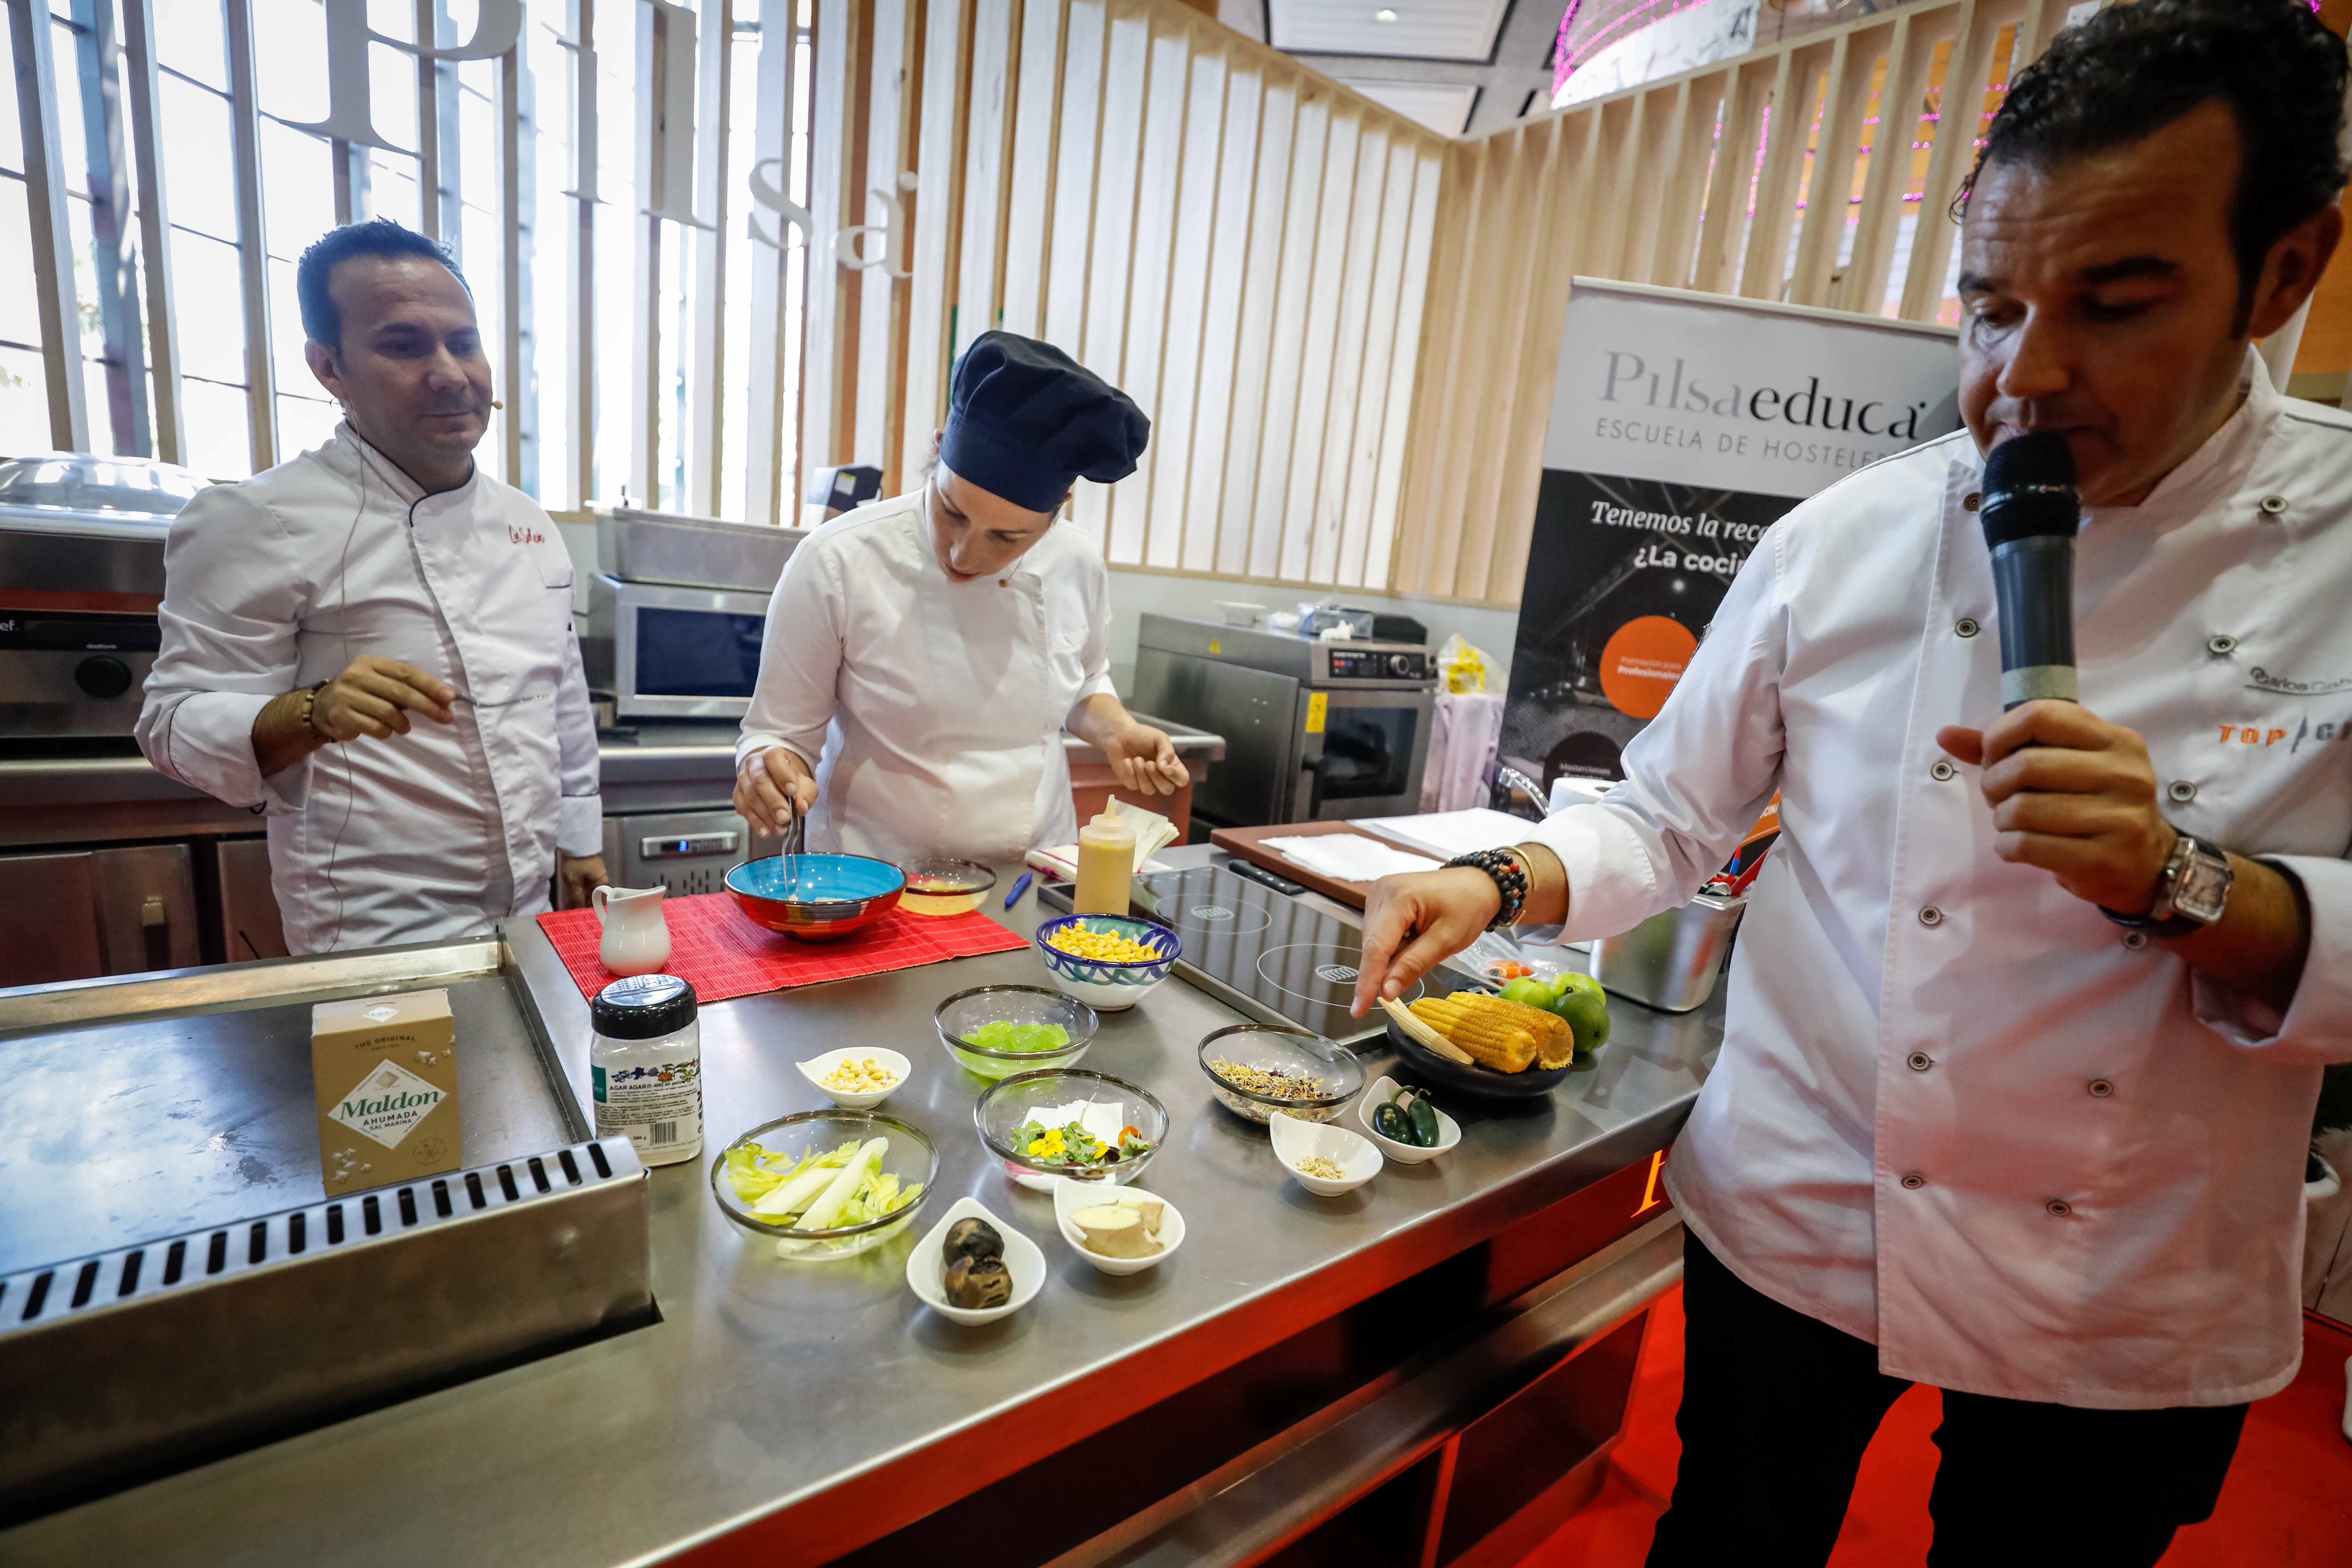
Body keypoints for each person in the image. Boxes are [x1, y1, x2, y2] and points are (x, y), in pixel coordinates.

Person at [1349, 3, 2352, 1561]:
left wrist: (2185, 881)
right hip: (1803, 1202)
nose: (2027, 376)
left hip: (2122, 1273)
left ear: (2285, 271)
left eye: (2117, 303)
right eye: (1991, 310)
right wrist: (1494, 879)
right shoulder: (1844, 537)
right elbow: (1667, 813)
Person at [139, 220, 607, 954]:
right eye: (404, 346)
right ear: (330, 368)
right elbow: (170, 723)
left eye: (464, 342)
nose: (450, 373)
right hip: (370, 930)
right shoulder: (258, 518)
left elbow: (562, 698)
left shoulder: (527, 522)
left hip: (529, 912)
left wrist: (579, 843)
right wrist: (311, 711)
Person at [734, 332, 1187, 865]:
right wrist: (768, 766)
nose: (963, 554)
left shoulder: (1078, 561)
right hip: (876, 878)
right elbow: (780, 732)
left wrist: (1118, 731)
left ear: (1060, 505)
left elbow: (1085, 681)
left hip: (1030, 875)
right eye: (952, 512)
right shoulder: (837, 560)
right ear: (937, 447)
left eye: (1006, 539)